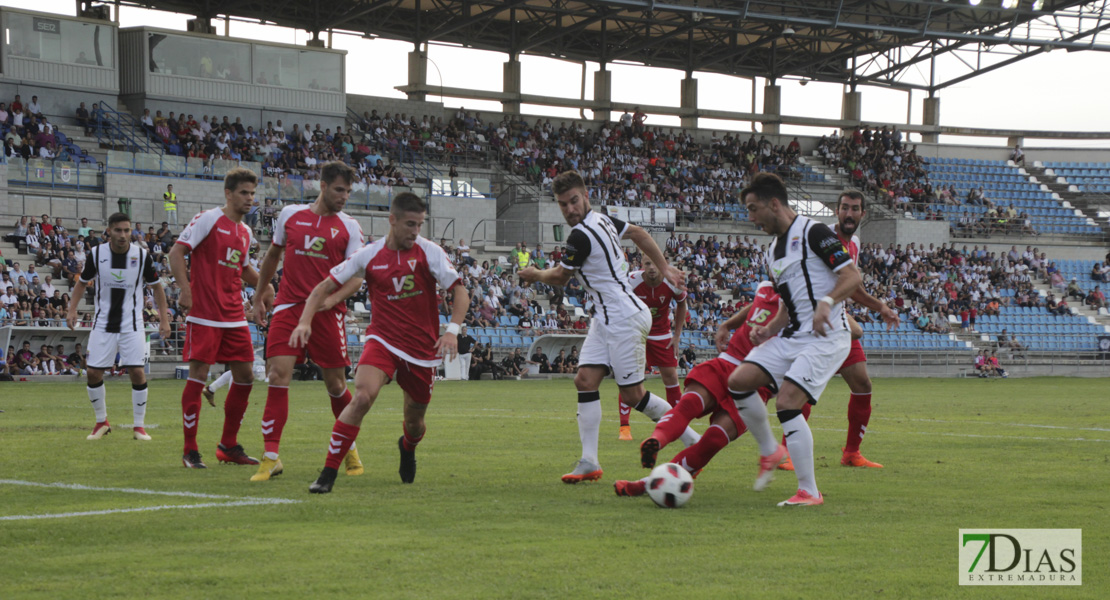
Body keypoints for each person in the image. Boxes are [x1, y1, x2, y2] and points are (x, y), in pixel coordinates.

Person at [518, 170, 698, 484]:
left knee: (633, 396)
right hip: (607, 317)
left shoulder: (580, 236)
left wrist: (535, 275)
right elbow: (639, 233)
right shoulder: (602, 219)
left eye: (574, 201)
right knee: (585, 380)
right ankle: (589, 461)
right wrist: (665, 265)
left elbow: (561, 277)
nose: (570, 209)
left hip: (623, 317)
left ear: (585, 196)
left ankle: (693, 440)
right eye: (563, 205)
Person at [298, 192, 469, 494]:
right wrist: (304, 321)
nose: (415, 231)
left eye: (420, 225)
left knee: (415, 423)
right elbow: (323, 286)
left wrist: (452, 330)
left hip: (421, 351)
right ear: (392, 220)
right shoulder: (369, 255)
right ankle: (327, 473)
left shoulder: (430, 252)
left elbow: (460, 292)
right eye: (409, 224)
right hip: (383, 341)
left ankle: (407, 447)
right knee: (362, 397)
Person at [725, 172, 862, 507]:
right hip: (792, 334)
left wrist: (827, 303)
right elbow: (787, 304)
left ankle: (809, 492)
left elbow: (851, 275)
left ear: (775, 204)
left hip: (825, 337)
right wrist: (768, 330)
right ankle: (771, 449)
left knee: (786, 402)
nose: (751, 217)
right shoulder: (771, 253)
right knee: (739, 381)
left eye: (754, 208)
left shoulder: (814, 232)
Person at [248, 161, 366, 482]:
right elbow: (273, 256)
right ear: (323, 186)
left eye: (348, 191)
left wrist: (331, 301)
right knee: (276, 375)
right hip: (288, 308)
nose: (344, 197)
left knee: (336, 384)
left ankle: (349, 447)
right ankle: (271, 457)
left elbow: (356, 278)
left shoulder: (350, 227)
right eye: (339, 190)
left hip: (328, 314)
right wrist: (259, 296)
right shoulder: (290, 215)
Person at [616, 281, 781, 497]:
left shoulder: (807, 299)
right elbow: (756, 306)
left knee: (713, 438)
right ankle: (656, 442)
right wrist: (727, 325)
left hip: (758, 384)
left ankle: (650, 480)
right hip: (729, 362)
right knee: (689, 406)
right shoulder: (768, 285)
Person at [169, 168, 272, 469]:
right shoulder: (208, 219)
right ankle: (190, 450)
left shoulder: (246, 232)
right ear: (228, 194)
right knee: (198, 375)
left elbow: (243, 269)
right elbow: (176, 253)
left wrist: (265, 288)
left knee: (245, 376)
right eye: (244, 193)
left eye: (253, 194)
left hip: (234, 315)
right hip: (205, 314)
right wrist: (185, 289)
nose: (249, 199)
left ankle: (228, 445)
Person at [67, 213, 170, 441]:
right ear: (109, 231)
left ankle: (139, 427)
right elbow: (82, 283)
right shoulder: (96, 254)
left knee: (137, 372)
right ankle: (102, 422)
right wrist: (72, 309)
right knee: (93, 372)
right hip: (102, 323)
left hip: (132, 324)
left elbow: (157, 288)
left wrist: (164, 319)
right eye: (118, 230)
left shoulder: (142, 256)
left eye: (127, 230)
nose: (123, 235)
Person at [817, 190, 901, 471]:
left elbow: (851, 287)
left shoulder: (853, 243)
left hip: (839, 321)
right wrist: (881, 307)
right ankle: (786, 454)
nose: (849, 213)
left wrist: (879, 308)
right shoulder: (823, 238)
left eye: (854, 208)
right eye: (844, 208)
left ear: (863, 213)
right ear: (836, 210)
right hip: (815, 322)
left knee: (863, 385)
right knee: (803, 389)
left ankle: (851, 453)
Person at [617, 255, 687, 441]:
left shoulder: (673, 281)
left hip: (662, 334)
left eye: (655, 263)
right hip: (636, 333)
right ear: (642, 265)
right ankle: (624, 428)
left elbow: (682, 305)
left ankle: (675, 423)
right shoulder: (631, 280)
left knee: (671, 377)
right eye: (648, 263)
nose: (652, 268)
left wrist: (677, 336)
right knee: (629, 379)